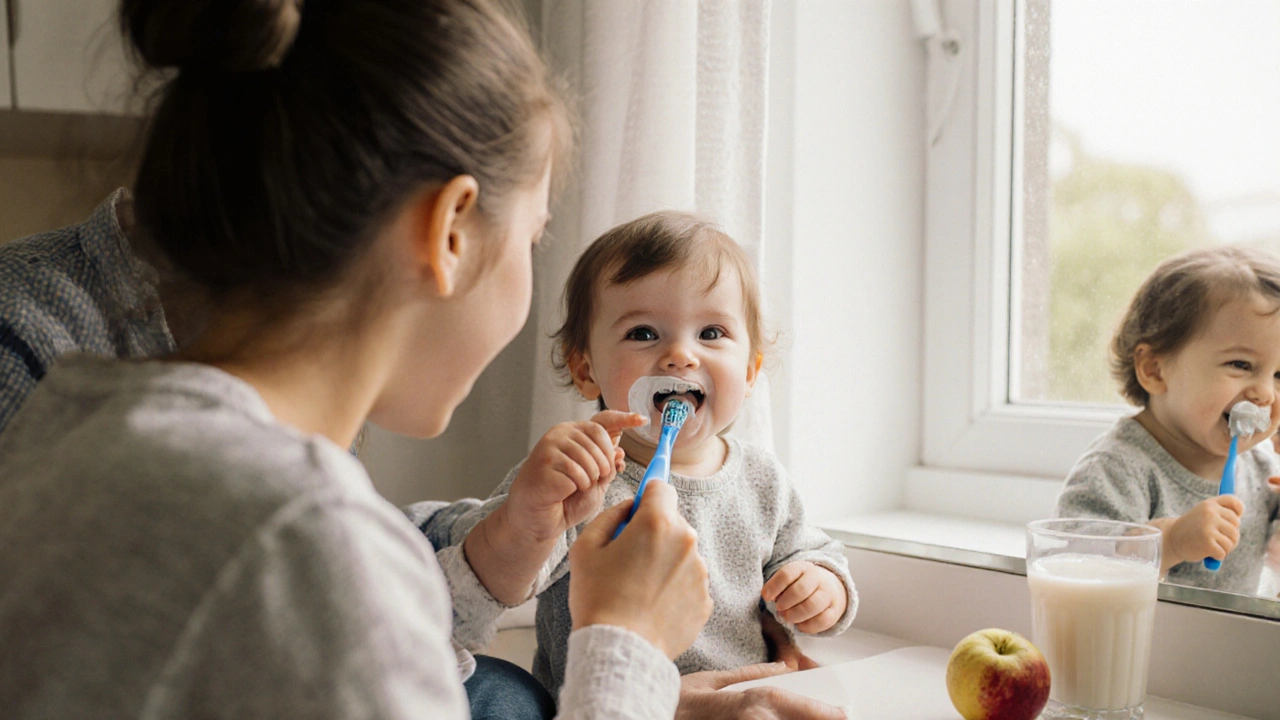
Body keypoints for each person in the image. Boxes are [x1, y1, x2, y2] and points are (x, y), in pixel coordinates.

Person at [0, 0, 716, 717]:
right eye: (533, 239)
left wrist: (505, 546)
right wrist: (628, 646)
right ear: (449, 232)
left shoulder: (70, 421)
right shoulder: (304, 533)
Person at [444, 211, 858, 700]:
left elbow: (811, 552)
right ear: (586, 370)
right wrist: (524, 521)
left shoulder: (763, 478)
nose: (681, 355)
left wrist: (820, 588)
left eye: (711, 333)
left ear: (749, 372)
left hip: (741, 702)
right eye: (643, 333)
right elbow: (490, 584)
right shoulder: (576, 478)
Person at [1057, 246, 1280, 595]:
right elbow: (1077, 564)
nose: (1266, 393)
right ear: (1154, 370)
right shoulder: (1118, 467)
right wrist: (1170, 542)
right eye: (1240, 364)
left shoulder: (1263, 469)